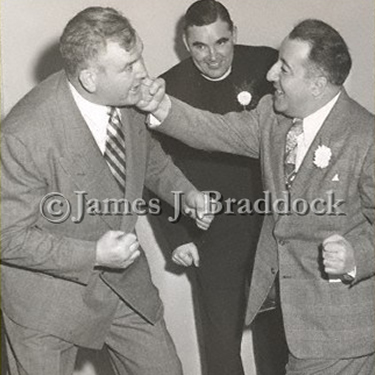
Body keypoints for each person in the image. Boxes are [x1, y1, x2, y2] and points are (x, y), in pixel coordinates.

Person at [148, 19, 375, 375]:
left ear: (317, 84)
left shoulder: (366, 138)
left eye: (284, 68)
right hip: (286, 320)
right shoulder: (273, 116)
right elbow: (213, 129)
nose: (270, 74)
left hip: (340, 334)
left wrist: (356, 255)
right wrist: (160, 107)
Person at [0, 7, 213, 375]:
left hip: (123, 284)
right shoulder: (24, 135)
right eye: (128, 66)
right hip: (46, 300)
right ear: (89, 78)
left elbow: (150, 161)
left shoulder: (125, 100)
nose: (143, 72)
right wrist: (94, 254)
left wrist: (186, 194)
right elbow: (7, 237)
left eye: (139, 56)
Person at [147, 1, 285, 374]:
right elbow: (153, 169)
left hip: (270, 227)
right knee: (221, 341)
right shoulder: (167, 90)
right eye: (200, 46)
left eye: (222, 43)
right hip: (211, 232)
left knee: (278, 335)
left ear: (235, 35)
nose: (213, 56)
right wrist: (177, 237)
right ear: (184, 43)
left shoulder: (268, 67)